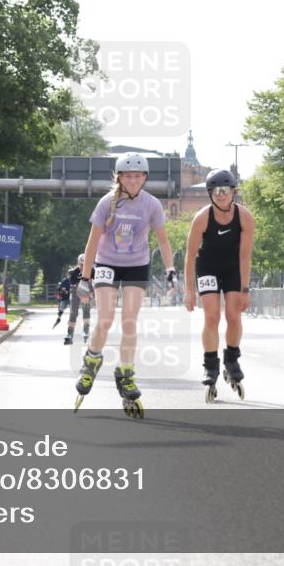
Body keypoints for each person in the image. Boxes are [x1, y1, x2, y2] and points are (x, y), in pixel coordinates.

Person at [73, 152, 176, 418]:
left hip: (136, 264)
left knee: (129, 320)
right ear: (120, 177)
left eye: (138, 176)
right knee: (105, 320)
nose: (133, 180)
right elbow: (92, 242)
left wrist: (170, 270)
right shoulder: (107, 203)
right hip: (106, 264)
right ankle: (92, 360)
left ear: (145, 178)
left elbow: (163, 241)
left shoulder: (152, 205)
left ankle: (126, 372)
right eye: (128, 176)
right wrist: (85, 279)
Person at [183, 168, 255, 402]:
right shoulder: (202, 218)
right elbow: (190, 254)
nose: (221, 195)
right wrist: (189, 290)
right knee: (212, 316)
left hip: (233, 267)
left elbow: (245, 256)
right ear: (210, 193)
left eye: (225, 190)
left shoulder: (244, 217)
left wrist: (245, 289)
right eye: (216, 191)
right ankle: (210, 365)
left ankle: (231, 361)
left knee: (234, 315)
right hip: (208, 267)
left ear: (233, 192)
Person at [64, 253, 94, 345]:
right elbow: (73, 284)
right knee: (73, 312)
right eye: (81, 265)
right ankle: (70, 333)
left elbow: (95, 282)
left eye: (85, 265)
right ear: (78, 263)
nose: (82, 267)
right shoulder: (73, 272)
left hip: (87, 293)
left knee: (86, 311)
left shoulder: (92, 270)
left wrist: (92, 293)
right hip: (76, 292)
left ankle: (86, 331)